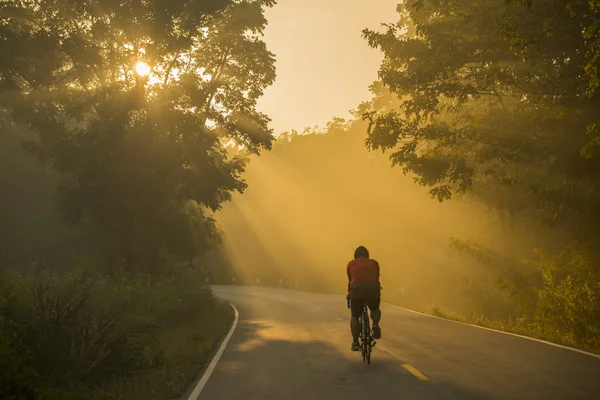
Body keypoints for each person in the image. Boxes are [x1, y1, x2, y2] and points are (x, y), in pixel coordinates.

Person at [346, 245, 382, 351]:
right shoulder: (374, 263)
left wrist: (349, 294)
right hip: (373, 290)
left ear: (355, 255)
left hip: (357, 291)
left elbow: (351, 279)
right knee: (374, 308)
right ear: (367, 255)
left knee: (355, 316)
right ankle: (375, 323)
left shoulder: (351, 264)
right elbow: (376, 277)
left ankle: (355, 341)